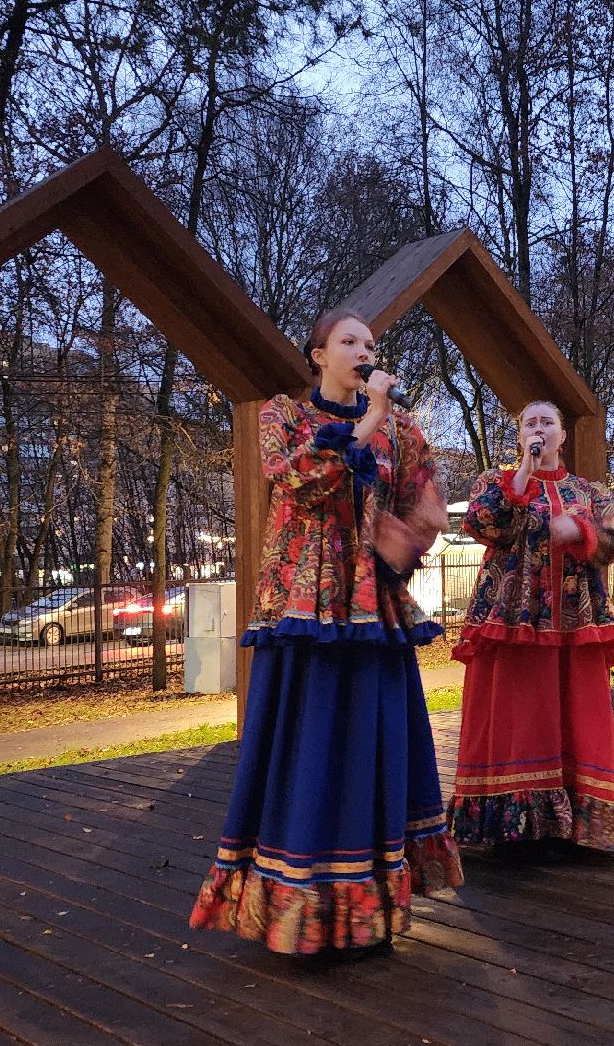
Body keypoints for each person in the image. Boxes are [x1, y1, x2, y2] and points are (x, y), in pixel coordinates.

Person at [190, 308, 463, 958]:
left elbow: (427, 500)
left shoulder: (402, 427)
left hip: (373, 610)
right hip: (305, 611)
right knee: (308, 745)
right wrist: (368, 421)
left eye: (369, 342)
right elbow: (295, 476)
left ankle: (367, 907)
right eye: (349, 341)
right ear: (318, 355)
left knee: (371, 743)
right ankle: (299, 906)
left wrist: (406, 536)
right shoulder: (283, 415)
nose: (364, 350)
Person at [447, 401, 614, 858]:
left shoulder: (589, 491)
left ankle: (574, 823)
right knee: (519, 714)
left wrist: (582, 533)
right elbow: (481, 523)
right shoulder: (496, 482)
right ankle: (515, 825)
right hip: (513, 619)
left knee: (577, 712)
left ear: (562, 435)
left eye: (547, 422)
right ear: (520, 436)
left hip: (576, 619)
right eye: (529, 423)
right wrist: (521, 477)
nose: (539, 429)